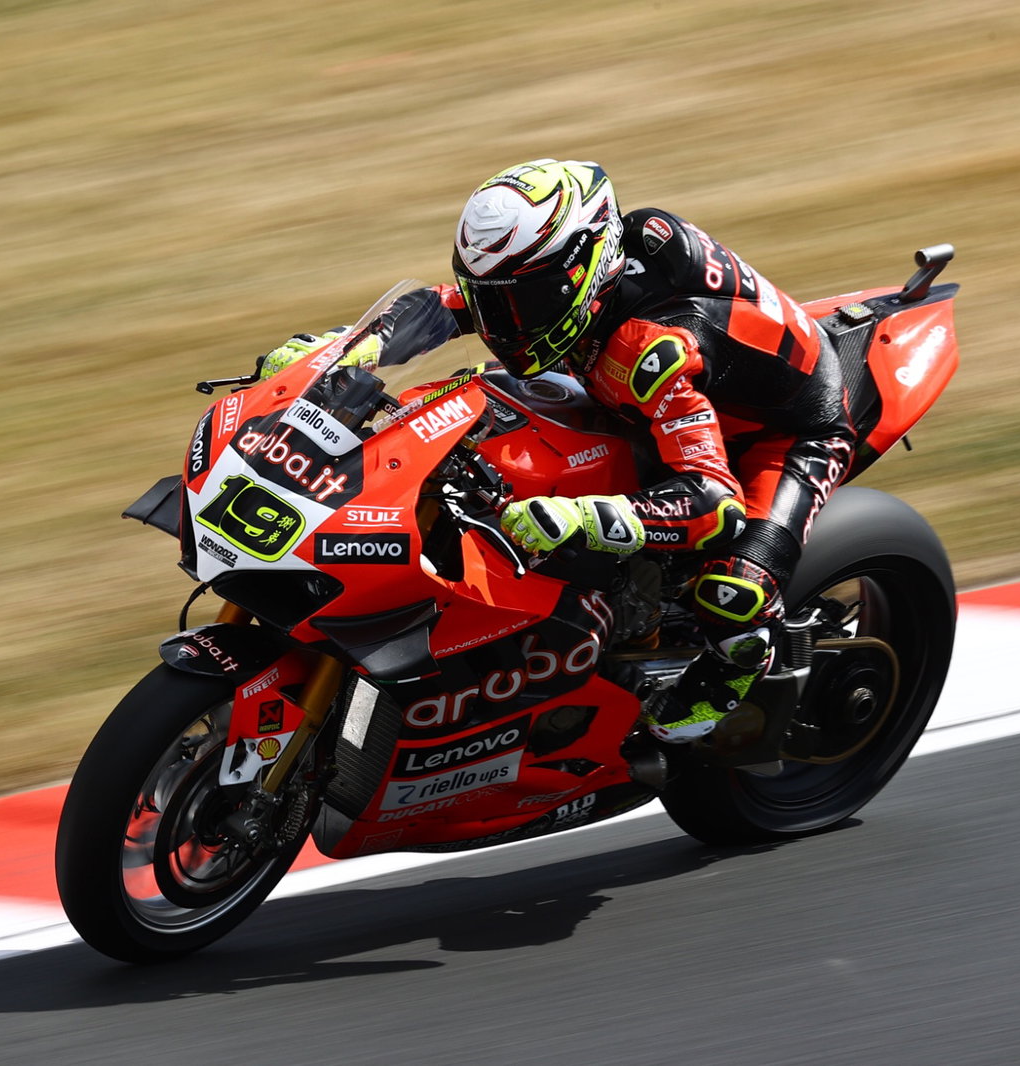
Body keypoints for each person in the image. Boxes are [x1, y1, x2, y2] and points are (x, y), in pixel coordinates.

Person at [261, 159, 855, 745]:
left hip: (785, 430)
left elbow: (713, 505)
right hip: (652, 390)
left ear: (584, 272)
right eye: (491, 299)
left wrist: (585, 517)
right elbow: (446, 306)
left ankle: (741, 665)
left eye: (523, 301)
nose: (500, 322)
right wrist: (344, 350)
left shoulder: (651, 351)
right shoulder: (556, 286)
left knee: (733, 592)